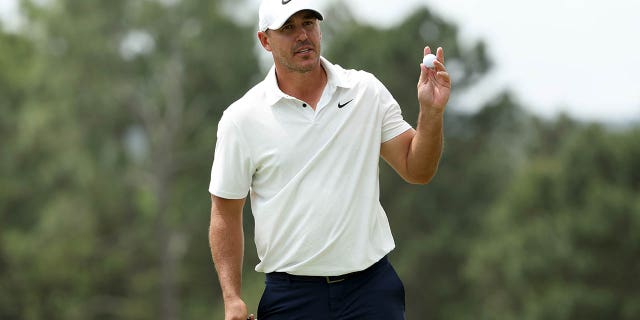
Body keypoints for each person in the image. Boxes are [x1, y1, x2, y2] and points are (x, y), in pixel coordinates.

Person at [208, 0, 451, 319]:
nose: (302, 35)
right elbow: (225, 213)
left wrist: (431, 113)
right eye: (288, 28)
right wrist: (232, 298)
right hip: (292, 297)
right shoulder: (242, 118)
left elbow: (416, 169)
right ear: (265, 40)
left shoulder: (365, 91)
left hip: (370, 290)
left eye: (309, 23)